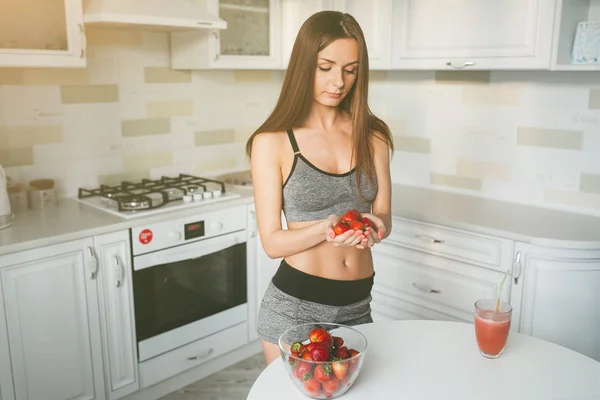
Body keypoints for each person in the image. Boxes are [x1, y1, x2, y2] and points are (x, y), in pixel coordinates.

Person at [245, 10, 394, 366]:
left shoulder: (373, 134)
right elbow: (271, 242)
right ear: (304, 65)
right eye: (325, 67)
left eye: (350, 69)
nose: (338, 81)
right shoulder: (273, 141)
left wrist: (377, 227)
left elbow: (385, 214)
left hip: (359, 306)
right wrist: (325, 229)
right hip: (296, 311)